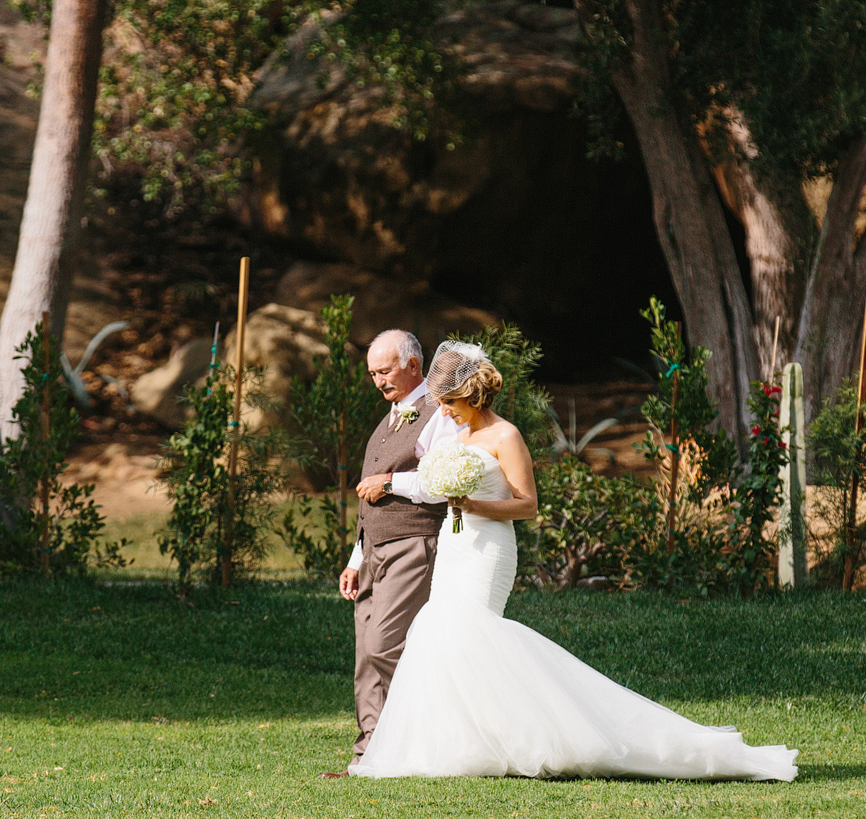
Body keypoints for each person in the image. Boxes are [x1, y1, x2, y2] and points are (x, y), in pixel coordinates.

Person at [350, 342, 797, 781]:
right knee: (443, 635)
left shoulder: (506, 436)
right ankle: (461, 744)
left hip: (488, 549)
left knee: (477, 634)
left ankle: (557, 732)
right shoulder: (457, 437)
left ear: (471, 395)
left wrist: (475, 505)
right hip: (453, 546)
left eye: (449, 403)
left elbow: (527, 506)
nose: (442, 411)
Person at [330, 329, 457, 771]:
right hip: (374, 552)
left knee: (385, 646)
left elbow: (442, 484)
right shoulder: (388, 419)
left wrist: (390, 483)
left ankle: (421, 737)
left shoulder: (439, 414)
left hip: (413, 544)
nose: (378, 381)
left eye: (384, 371)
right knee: (366, 655)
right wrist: (355, 559)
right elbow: (368, 505)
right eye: (372, 374)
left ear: (413, 366)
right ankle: (369, 755)